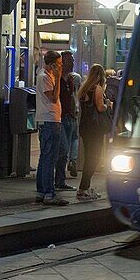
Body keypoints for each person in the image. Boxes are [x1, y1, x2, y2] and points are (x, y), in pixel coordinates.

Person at [35, 50, 68, 206]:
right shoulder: (45, 77)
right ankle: (49, 192)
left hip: (49, 120)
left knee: (45, 157)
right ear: (53, 64)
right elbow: (54, 98)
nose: (61, 66)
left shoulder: (46, 76)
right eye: (60, 64)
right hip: (49, 121)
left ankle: (42, 190)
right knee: (50, 158)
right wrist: (59, 78)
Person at [77, 63, 112, 201]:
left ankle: (84, 188)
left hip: (85, 127)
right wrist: (108, 104)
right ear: (101, 76)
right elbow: (100, 107)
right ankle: (83, 189)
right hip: (95, 129)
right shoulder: (97, 89)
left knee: (89, 158)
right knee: (94, 159)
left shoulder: (84, 88)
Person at [56, 51, 80, 186]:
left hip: (71, 116)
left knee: (66, 148)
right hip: (61, 117)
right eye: (70, 60)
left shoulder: (70, 79)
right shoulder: (57, 79)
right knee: (63, 148)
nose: (72, 63)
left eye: (72, 60)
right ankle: (58, 179)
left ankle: (61, 180)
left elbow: (72, 97)